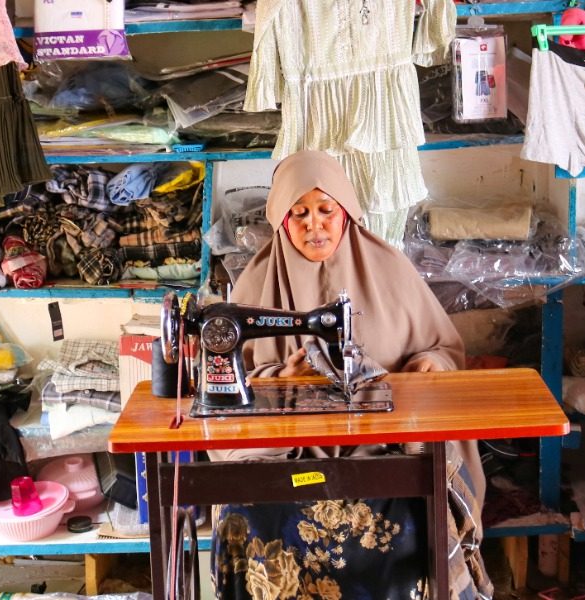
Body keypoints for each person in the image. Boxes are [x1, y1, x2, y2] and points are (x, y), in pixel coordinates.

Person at [210, 150, 492, 600]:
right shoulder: (255, 284)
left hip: (384, 444)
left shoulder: (391, 269)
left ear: (346, 212)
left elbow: (445, 349)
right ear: (282, 220)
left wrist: (428, 365)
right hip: (288, 454)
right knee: (252, 509)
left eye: (326, 211)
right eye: (298, 214)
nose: (314, 226)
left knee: (417, 511)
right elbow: (230, 381)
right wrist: (284, 374)